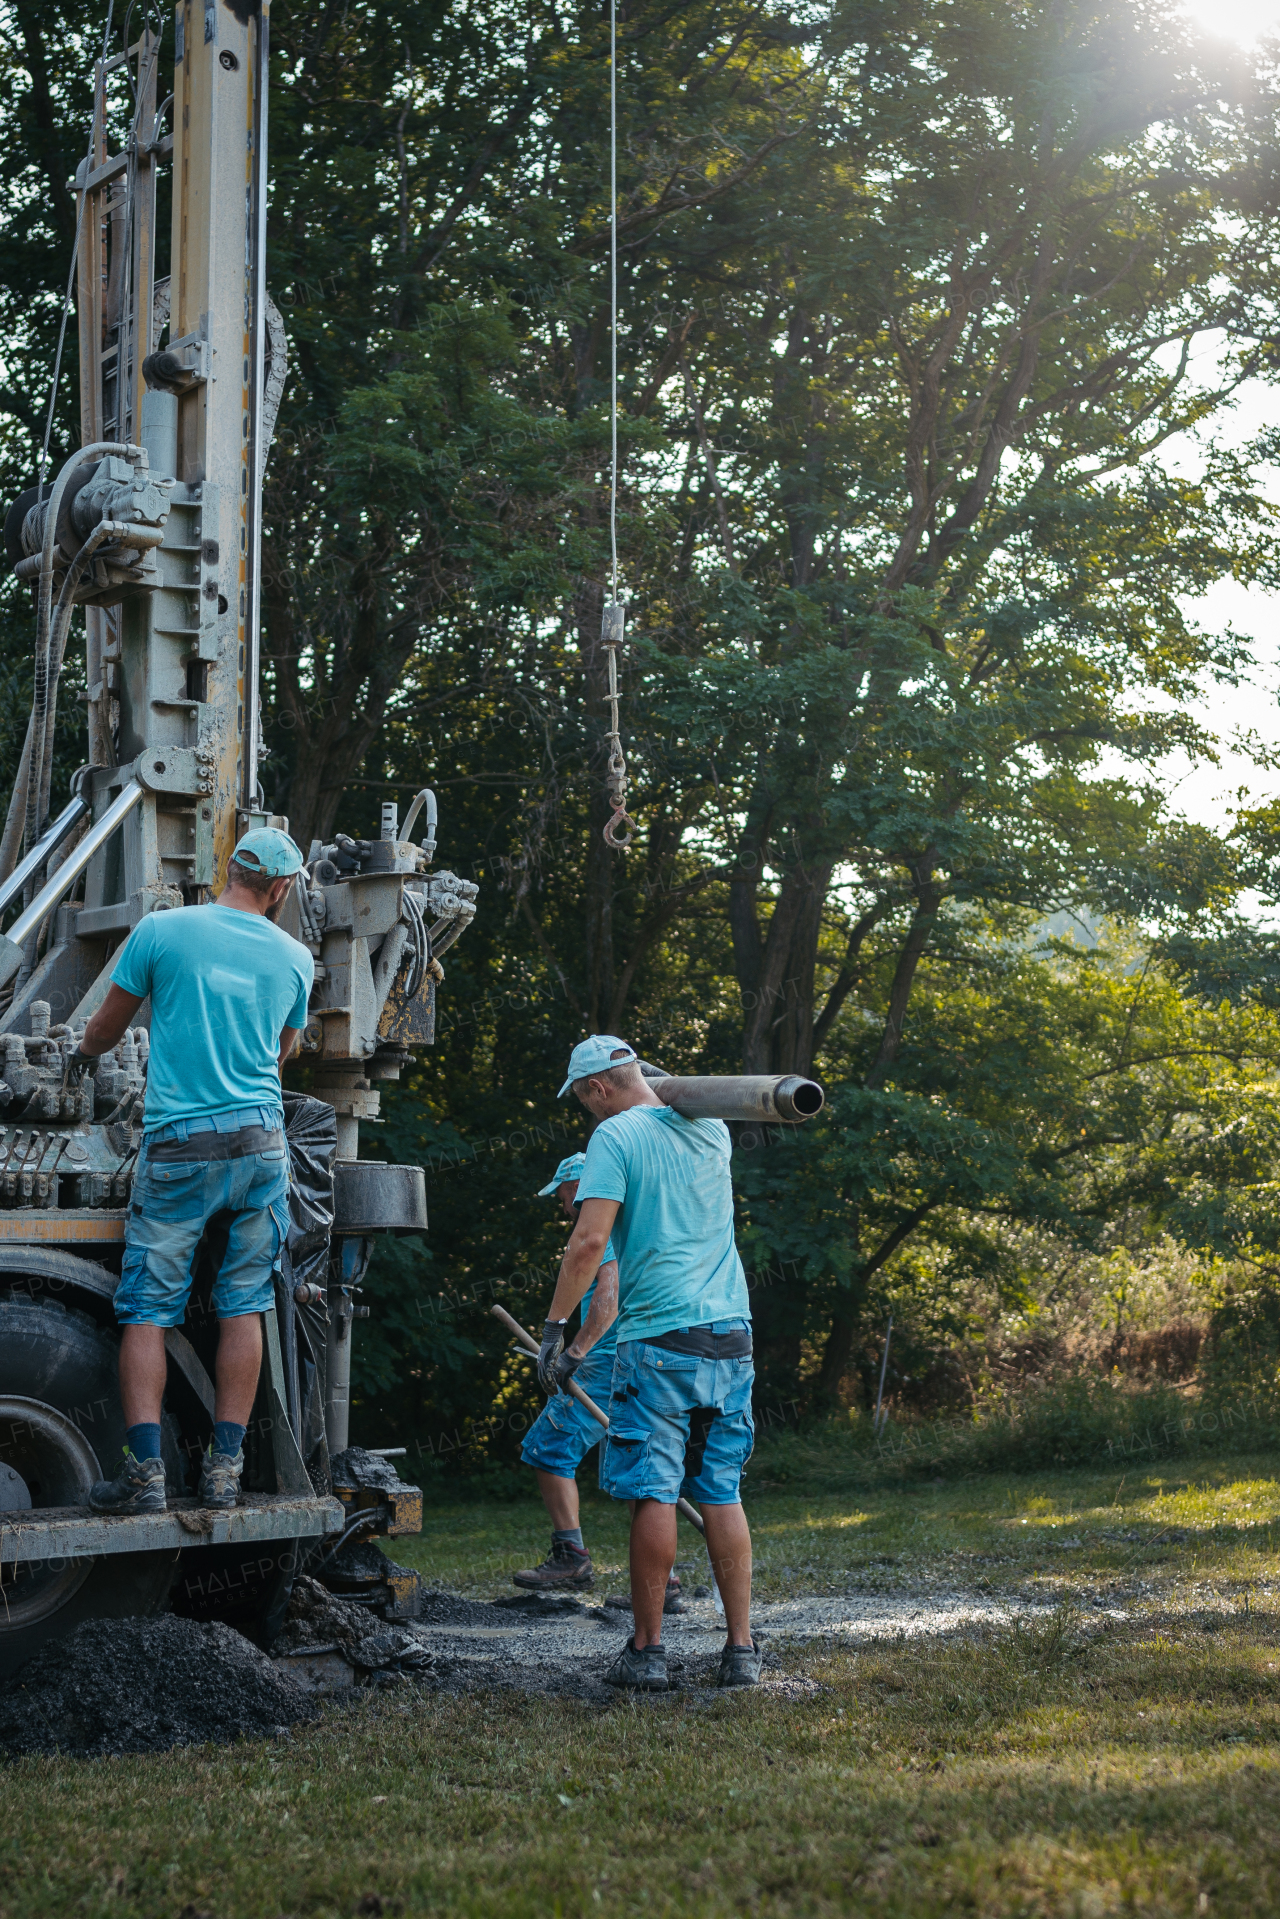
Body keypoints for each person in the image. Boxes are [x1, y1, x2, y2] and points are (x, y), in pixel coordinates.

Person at [69, 828, 313, 1515]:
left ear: (226, 869)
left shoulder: (163, 930)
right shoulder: (295, 958)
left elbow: (104, 1030)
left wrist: (81, 1060)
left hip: (180, 1147)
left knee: (148, 1308)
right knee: (245, 1305)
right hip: (261, 1147)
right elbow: (281, 1052)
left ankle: (146, 1476)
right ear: (281, 888)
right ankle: (225, 1473)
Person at [539, 1034, 761, 1691]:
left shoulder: (616, 1136)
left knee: (654, 1490)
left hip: (660, 1337)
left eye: (585, 1100)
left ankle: (647, 1650)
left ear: (596, 1088)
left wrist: (555, 1328)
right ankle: (742, 1650)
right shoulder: (709, 1123)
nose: (588, 1112)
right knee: (721, 1488)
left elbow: (589, 1240)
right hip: (731, 1331)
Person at [510, 1153, 618, 1590]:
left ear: (577, 1186)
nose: (560, 1201)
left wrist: (574, 1352)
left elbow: (607, 1299)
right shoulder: (636, 1225)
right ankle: (663, 1582)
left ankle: (571, 1557)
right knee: (637, 1461)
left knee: (548, 1448)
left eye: (562, 1191)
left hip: (606, 1362)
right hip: (636, 1356)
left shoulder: (599, 1229)